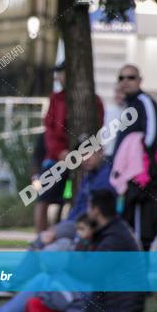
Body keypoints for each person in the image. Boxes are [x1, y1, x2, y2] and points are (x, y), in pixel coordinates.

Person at [33, 62, 104, 235]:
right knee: (44, 199)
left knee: (77, 198)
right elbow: (49, 130)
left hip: (82, 157)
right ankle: (40, 240)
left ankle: (74, 236)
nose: (58, 77)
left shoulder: (94, 100)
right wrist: (61, 152)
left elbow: (97, 127)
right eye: (57, 74)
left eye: (62, 73)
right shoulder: (55, 99)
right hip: (56, 158)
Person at [112, 64, 157, 250]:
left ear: (139, 80)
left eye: (131, 77)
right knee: (128, 228)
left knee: (142, 232)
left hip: (143, 178)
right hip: (127, 177)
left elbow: (152, 137)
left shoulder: (144, 101)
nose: (126, 82)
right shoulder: (127, 106)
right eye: (122, 78)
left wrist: (140, 167)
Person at [85, 189, 145, 312]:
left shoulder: (114, 238)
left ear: (96, 210)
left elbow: (90, 271)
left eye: (89, 208)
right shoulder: (112, 230)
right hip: (112, 302)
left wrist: (65, 263)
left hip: (120, 307)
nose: (87, 212)